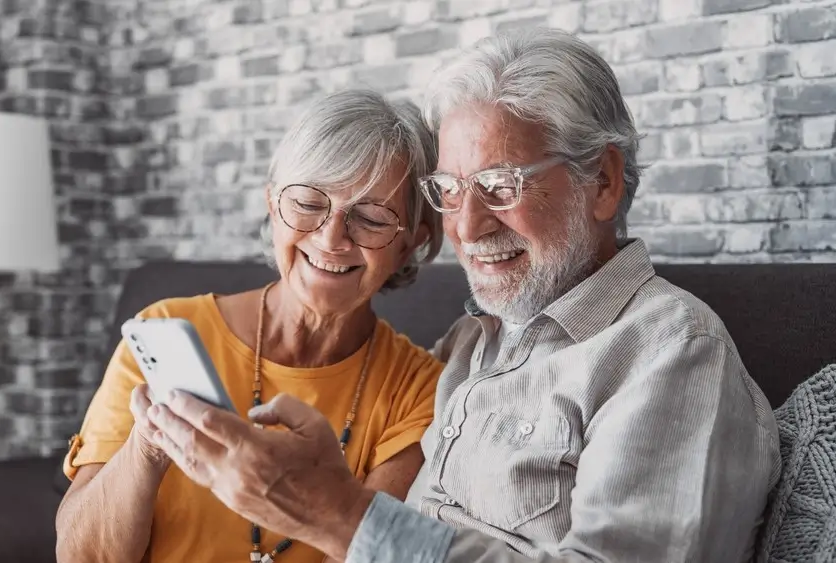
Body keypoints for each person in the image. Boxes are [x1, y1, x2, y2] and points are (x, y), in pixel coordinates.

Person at [147, 28, 783, 563]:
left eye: (502, 186)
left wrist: (342, 514)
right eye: (449, 190)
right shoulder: (469, 345)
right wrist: (335, 492)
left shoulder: (671, 352)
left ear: (604, 183)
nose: (467, 228)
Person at [54, 89, 449, 563]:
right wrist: (150, 444)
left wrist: (323, 500)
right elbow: (80, 556)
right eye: (307, 202)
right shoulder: (165, 329)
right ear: (272, 205)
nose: (330, 238)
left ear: (411, 244)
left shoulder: (420, 391)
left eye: (369, 217)